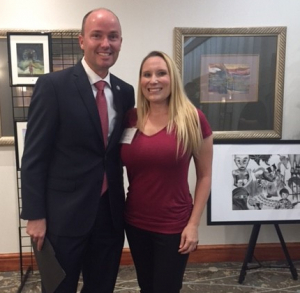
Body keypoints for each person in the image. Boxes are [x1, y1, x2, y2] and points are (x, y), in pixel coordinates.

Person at [21, 8, 135, 293]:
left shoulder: (125, 91)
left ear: (121, 41)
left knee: (101, 287)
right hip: (62, 217)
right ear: (81, 40)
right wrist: (35, 215)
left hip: (109, 216)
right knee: (59, 288)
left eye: (113, 36)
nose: (105, 44)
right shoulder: (53, 86)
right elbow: (34, 157)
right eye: (97, 35)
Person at [120, 51, 213, 293]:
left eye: (161, 73)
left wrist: (193, 224)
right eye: (147, 74)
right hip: (135, 222)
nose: (154, 80)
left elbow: (205, 176)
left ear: (172, 78)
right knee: (146, 287)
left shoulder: (193, 119)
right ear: (140, 81)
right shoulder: (130, 118)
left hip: (174, 226)